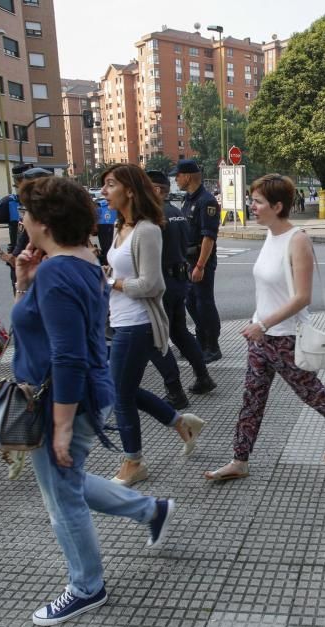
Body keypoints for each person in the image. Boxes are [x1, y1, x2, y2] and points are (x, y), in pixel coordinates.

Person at [10, 174, 177, 627]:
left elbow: (66, 355)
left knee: (62, 499)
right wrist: (25, 282)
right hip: (78, 392)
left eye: (25, 211)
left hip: (63, 398)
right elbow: (52, 330)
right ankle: (151, 510)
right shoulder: (79, 260)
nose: (21, 218)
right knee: (67, 483)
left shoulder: (58, 271)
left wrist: (62, 426)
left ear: (43, 220)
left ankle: (87, 586)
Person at [203, 174, 325, 482]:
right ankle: (240, 460)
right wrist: (257, 321)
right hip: (261, 337)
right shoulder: (269, 235)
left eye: (258, 202)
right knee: (252, 399)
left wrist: (263, 323)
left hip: (286, 336)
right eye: (252, 200)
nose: (252, 206)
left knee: (310, 392)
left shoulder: (297, 239)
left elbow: (302, 297)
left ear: (277, 206)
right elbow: (269, 289)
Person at [101, 164, 206, 487]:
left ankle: (134, 461)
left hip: (138, 323)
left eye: (109, 185)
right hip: (120, 321)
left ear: (130, 190)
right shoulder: (121, 226)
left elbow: (152, 284)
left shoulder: (146, 229)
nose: (104, 191)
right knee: (125, 390)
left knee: (119, 394)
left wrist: (111, 281)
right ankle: (180, 422)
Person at [145, 169, 217, 407]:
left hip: (163, 284)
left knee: (157, 339)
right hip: (178, 281)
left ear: (156, 190)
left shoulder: (153, 217)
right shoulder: (176, 212)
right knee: (179, 332)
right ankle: (203, 376)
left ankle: (175, 391)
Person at [173, 159, 223, 363]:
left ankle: (212, 346)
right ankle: (201, 342)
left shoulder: (206, 201)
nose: (176, 179)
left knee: (204, 303)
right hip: (188, 260)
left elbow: (208, 237)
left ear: (187, 176)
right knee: (191, 303)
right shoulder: (188, 200)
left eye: (178, 175)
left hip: (201, 261)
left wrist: (200, 265)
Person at [0, 165, 51, 290]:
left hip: (48, 260)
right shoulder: (10, 202)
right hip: (22, 260)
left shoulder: (49, 203)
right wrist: (2, 255)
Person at [96, 197, 117, 265]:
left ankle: (107, 261)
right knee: (108, 245)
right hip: (107, 224)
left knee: (106, 246)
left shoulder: (100, 205)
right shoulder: (103, 204)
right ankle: (107, 261)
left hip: (104, 224)